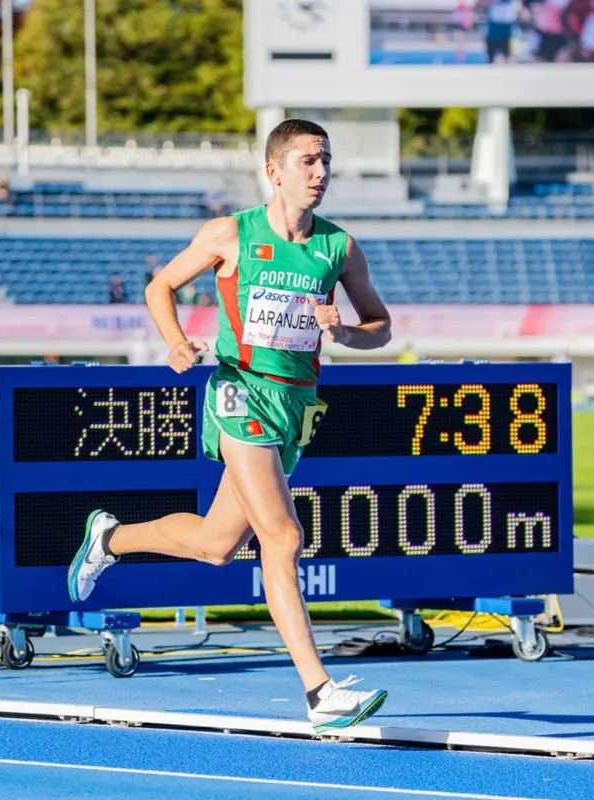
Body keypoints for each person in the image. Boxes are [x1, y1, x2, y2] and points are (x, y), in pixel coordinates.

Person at [67, 119, 393, 733]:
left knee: (219, 547)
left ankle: (109, 539)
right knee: (283, 535)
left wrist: (344, 331)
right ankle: (320, 691)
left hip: (293, 407)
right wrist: (173, 342)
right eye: (308, 162)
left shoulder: (339, 247)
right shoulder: (229, 234)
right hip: (238, 394)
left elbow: (381, 325)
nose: (321, 173)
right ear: (274, 171)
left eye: (327, 162)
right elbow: (159, 285)